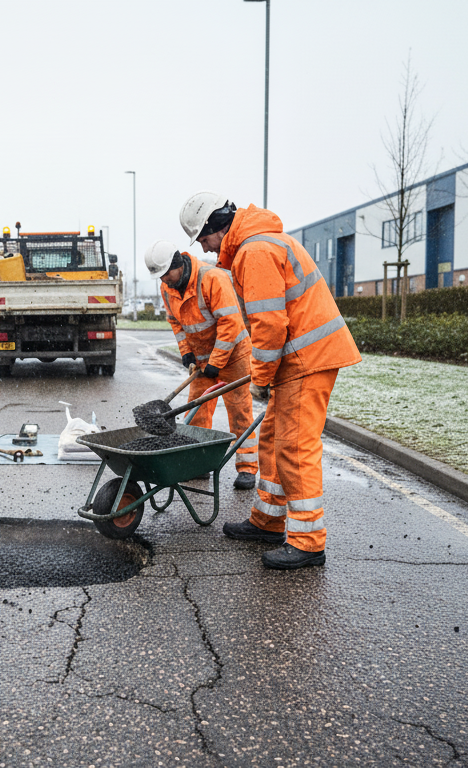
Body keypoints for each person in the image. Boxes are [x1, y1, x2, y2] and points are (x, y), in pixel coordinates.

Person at [180, 192, 362, 570]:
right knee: (274, 440)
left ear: (216, 227)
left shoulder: (255, 251)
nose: (204, 248)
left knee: (294, 449)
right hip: (298, 359)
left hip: (305, 360)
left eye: (202, 238)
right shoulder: (257, 244)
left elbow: (270, 324)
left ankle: (308, 542)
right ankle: (268, 520)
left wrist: (259, 379)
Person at [144, 240, 258, 490]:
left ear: (177, 264)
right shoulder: (167, 289)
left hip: (234, 355)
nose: (163, 280)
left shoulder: (211, 278)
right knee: (196, 412)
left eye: (165, 274)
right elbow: (176, 321)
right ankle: (198, 464)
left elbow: (230, 323)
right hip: (203, 359)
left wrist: (217, 363)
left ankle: (247, 468)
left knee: (239, 411)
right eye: (159, 277)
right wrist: (187, 353)